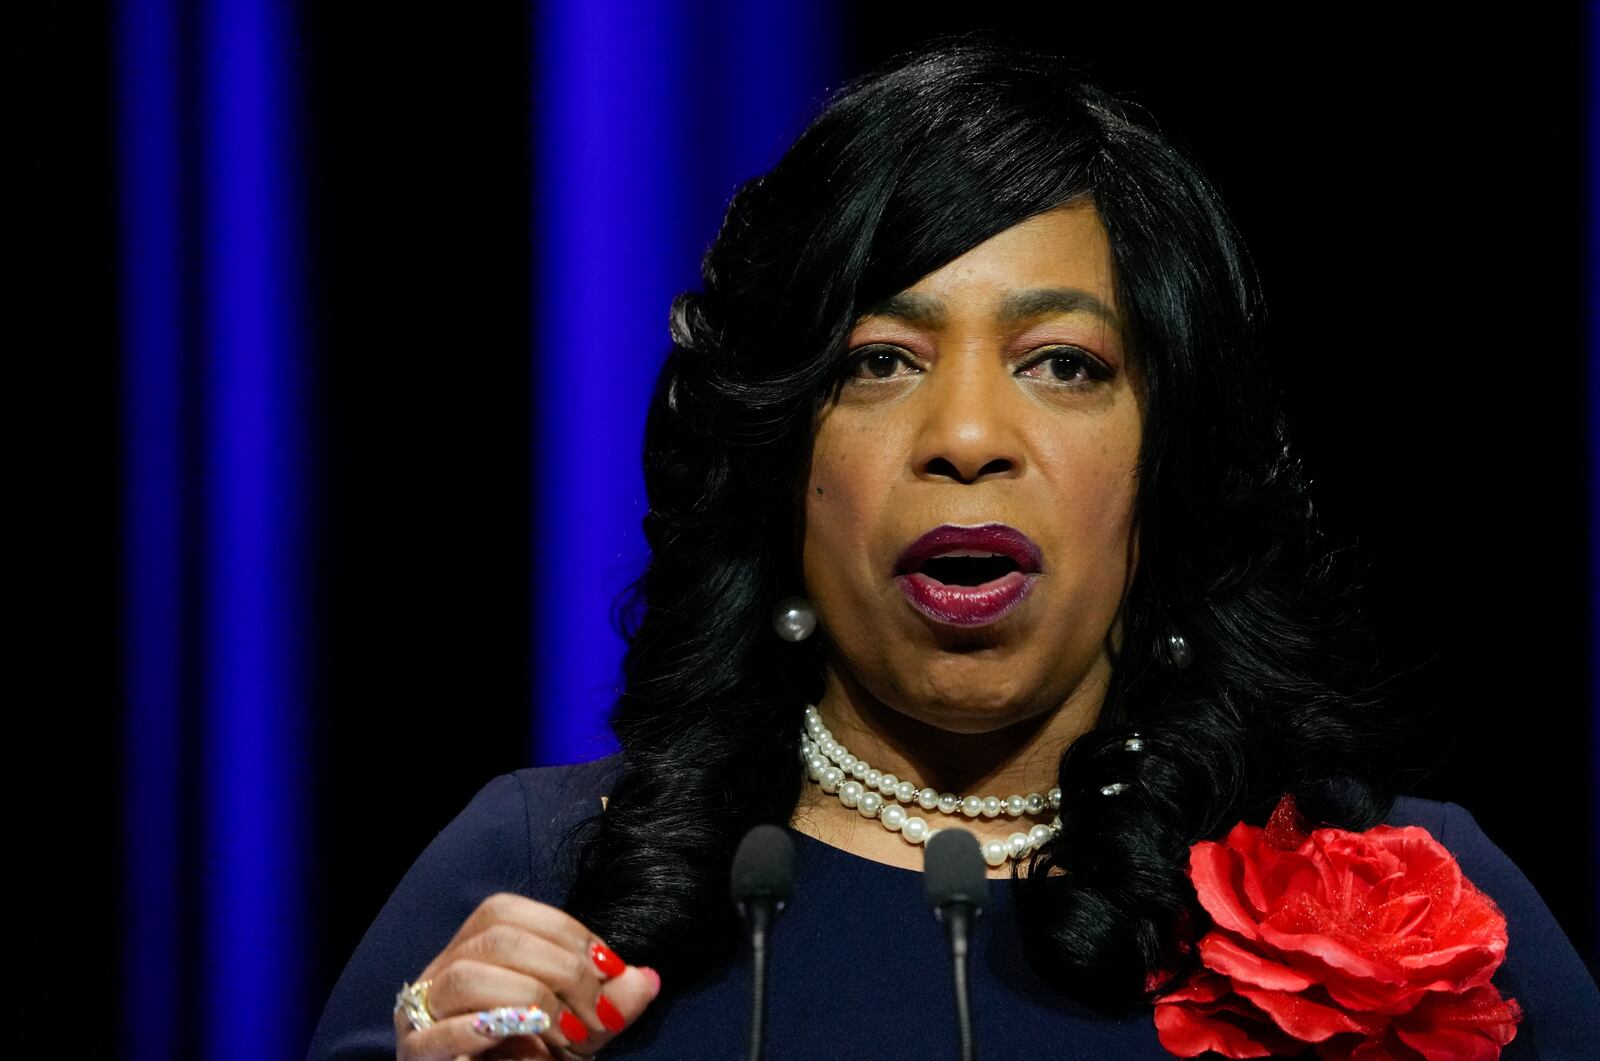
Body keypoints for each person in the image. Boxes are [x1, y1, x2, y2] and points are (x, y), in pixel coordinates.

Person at [308, 41, 1599, 1060]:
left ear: (1168, 457)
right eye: (880, 363)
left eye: (1063, 364)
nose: (968, 435)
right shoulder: (544, 880)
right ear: (784, 459)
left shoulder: (1429, 910)